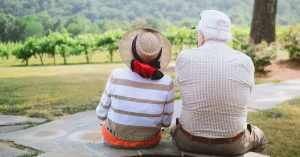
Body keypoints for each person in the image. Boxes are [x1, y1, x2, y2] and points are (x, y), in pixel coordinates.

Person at [171, 10, 267, 156]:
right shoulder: (245, 61)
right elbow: (247, 93)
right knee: (260, 137)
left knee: (173, 129)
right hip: (233, 144)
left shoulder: (184, 58)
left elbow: (184, 88)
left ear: (202, 35)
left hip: (189, 141)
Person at [96, 28, 174, 149]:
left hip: (114, 139)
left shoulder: (116, 75)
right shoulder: (166, 82)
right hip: (150, 141)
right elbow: (166, 123)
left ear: (132, 51)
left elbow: (101, 114)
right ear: (158, 55)